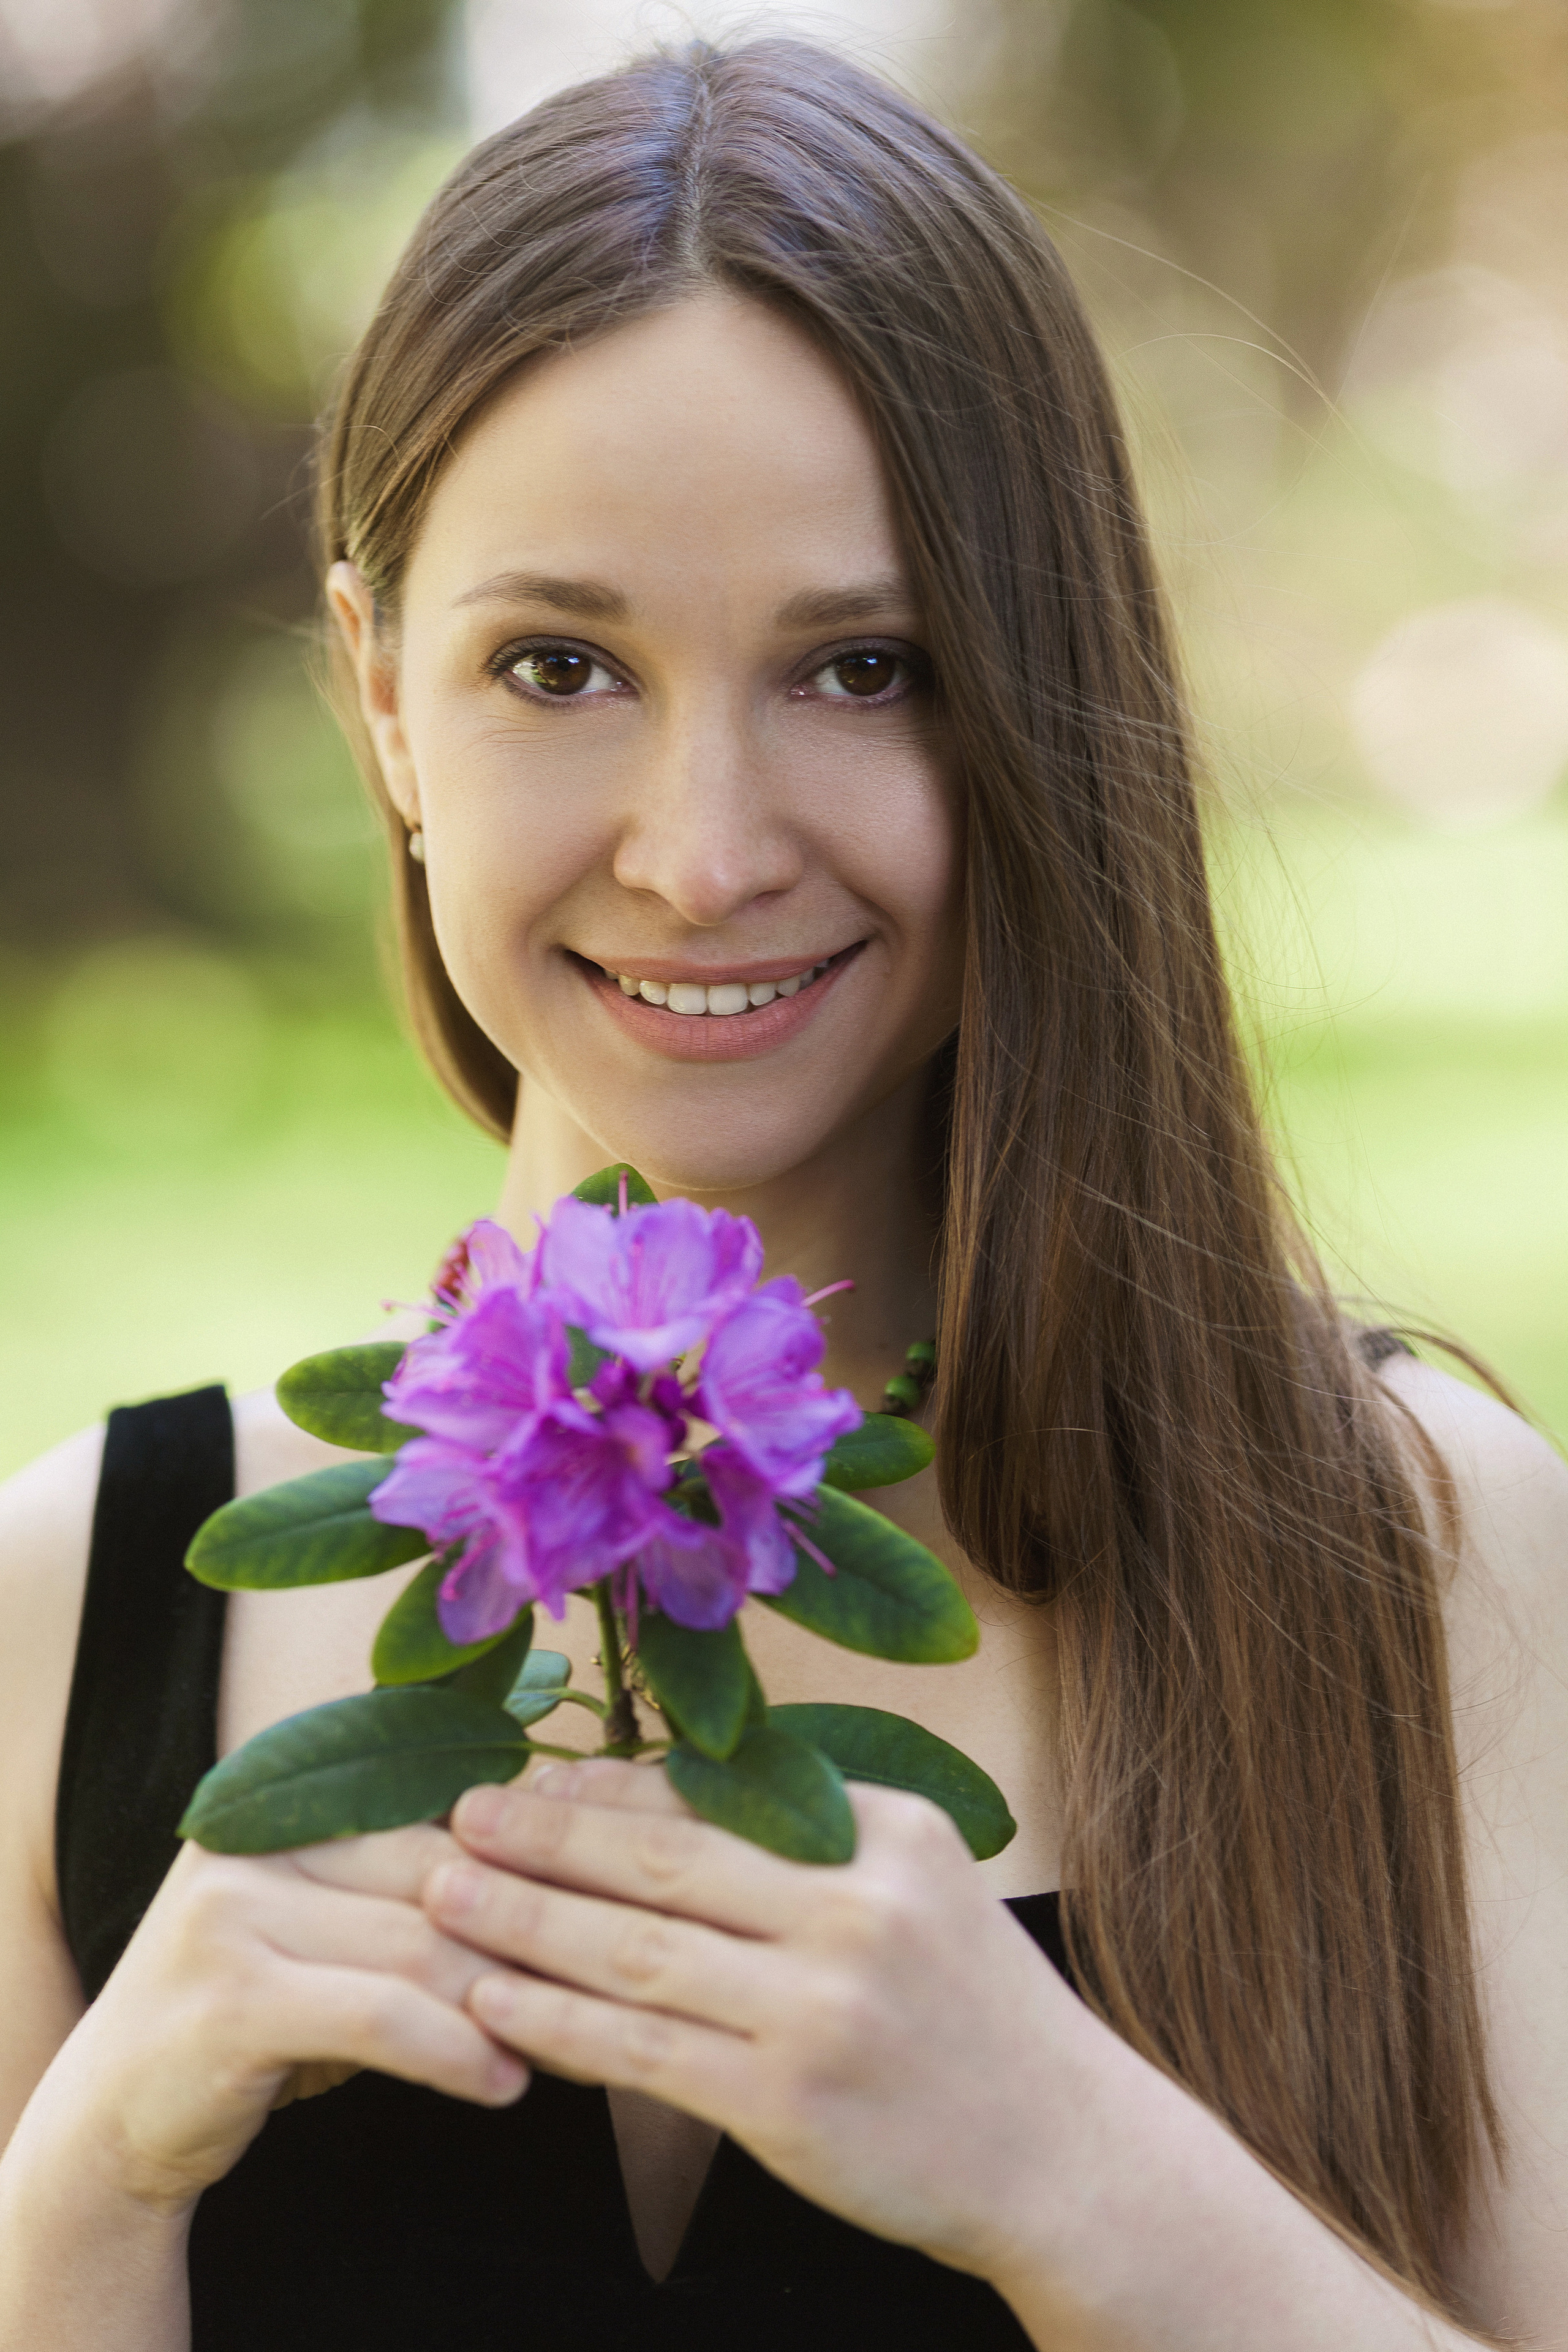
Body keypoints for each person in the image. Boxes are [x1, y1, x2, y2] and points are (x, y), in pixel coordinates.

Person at [1, 36, 1564, 2352]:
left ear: (1042, 698)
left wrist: (1088, 2184)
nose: (708, 851)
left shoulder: (1417, 1560)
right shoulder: (75, 1613)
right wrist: (89, 2190)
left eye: (862, 667)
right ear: (381, 701)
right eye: (559, 666)